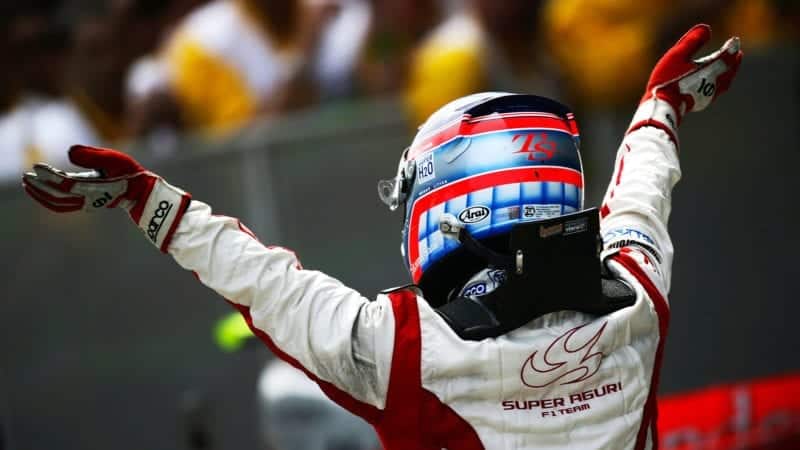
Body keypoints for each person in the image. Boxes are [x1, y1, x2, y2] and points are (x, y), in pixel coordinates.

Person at [21, 25, 742, 449]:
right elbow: (641, 194)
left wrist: (150, 200)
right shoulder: (637, 296)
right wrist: (662, 106)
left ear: (448, 202)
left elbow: (265, 283)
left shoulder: (403, 347)